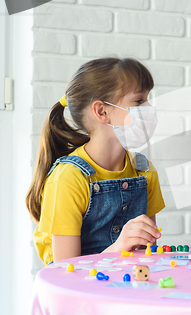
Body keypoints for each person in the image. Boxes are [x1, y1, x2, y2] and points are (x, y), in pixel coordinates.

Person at [26, 57, 165, 265]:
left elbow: (147, 255)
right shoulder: (68, 179)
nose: (149, 108)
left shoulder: (144, 171)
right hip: (79, 294)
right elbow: (67, 271)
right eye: (138, 101)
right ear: (102, 111)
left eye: (147, 99)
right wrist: (119, 247)